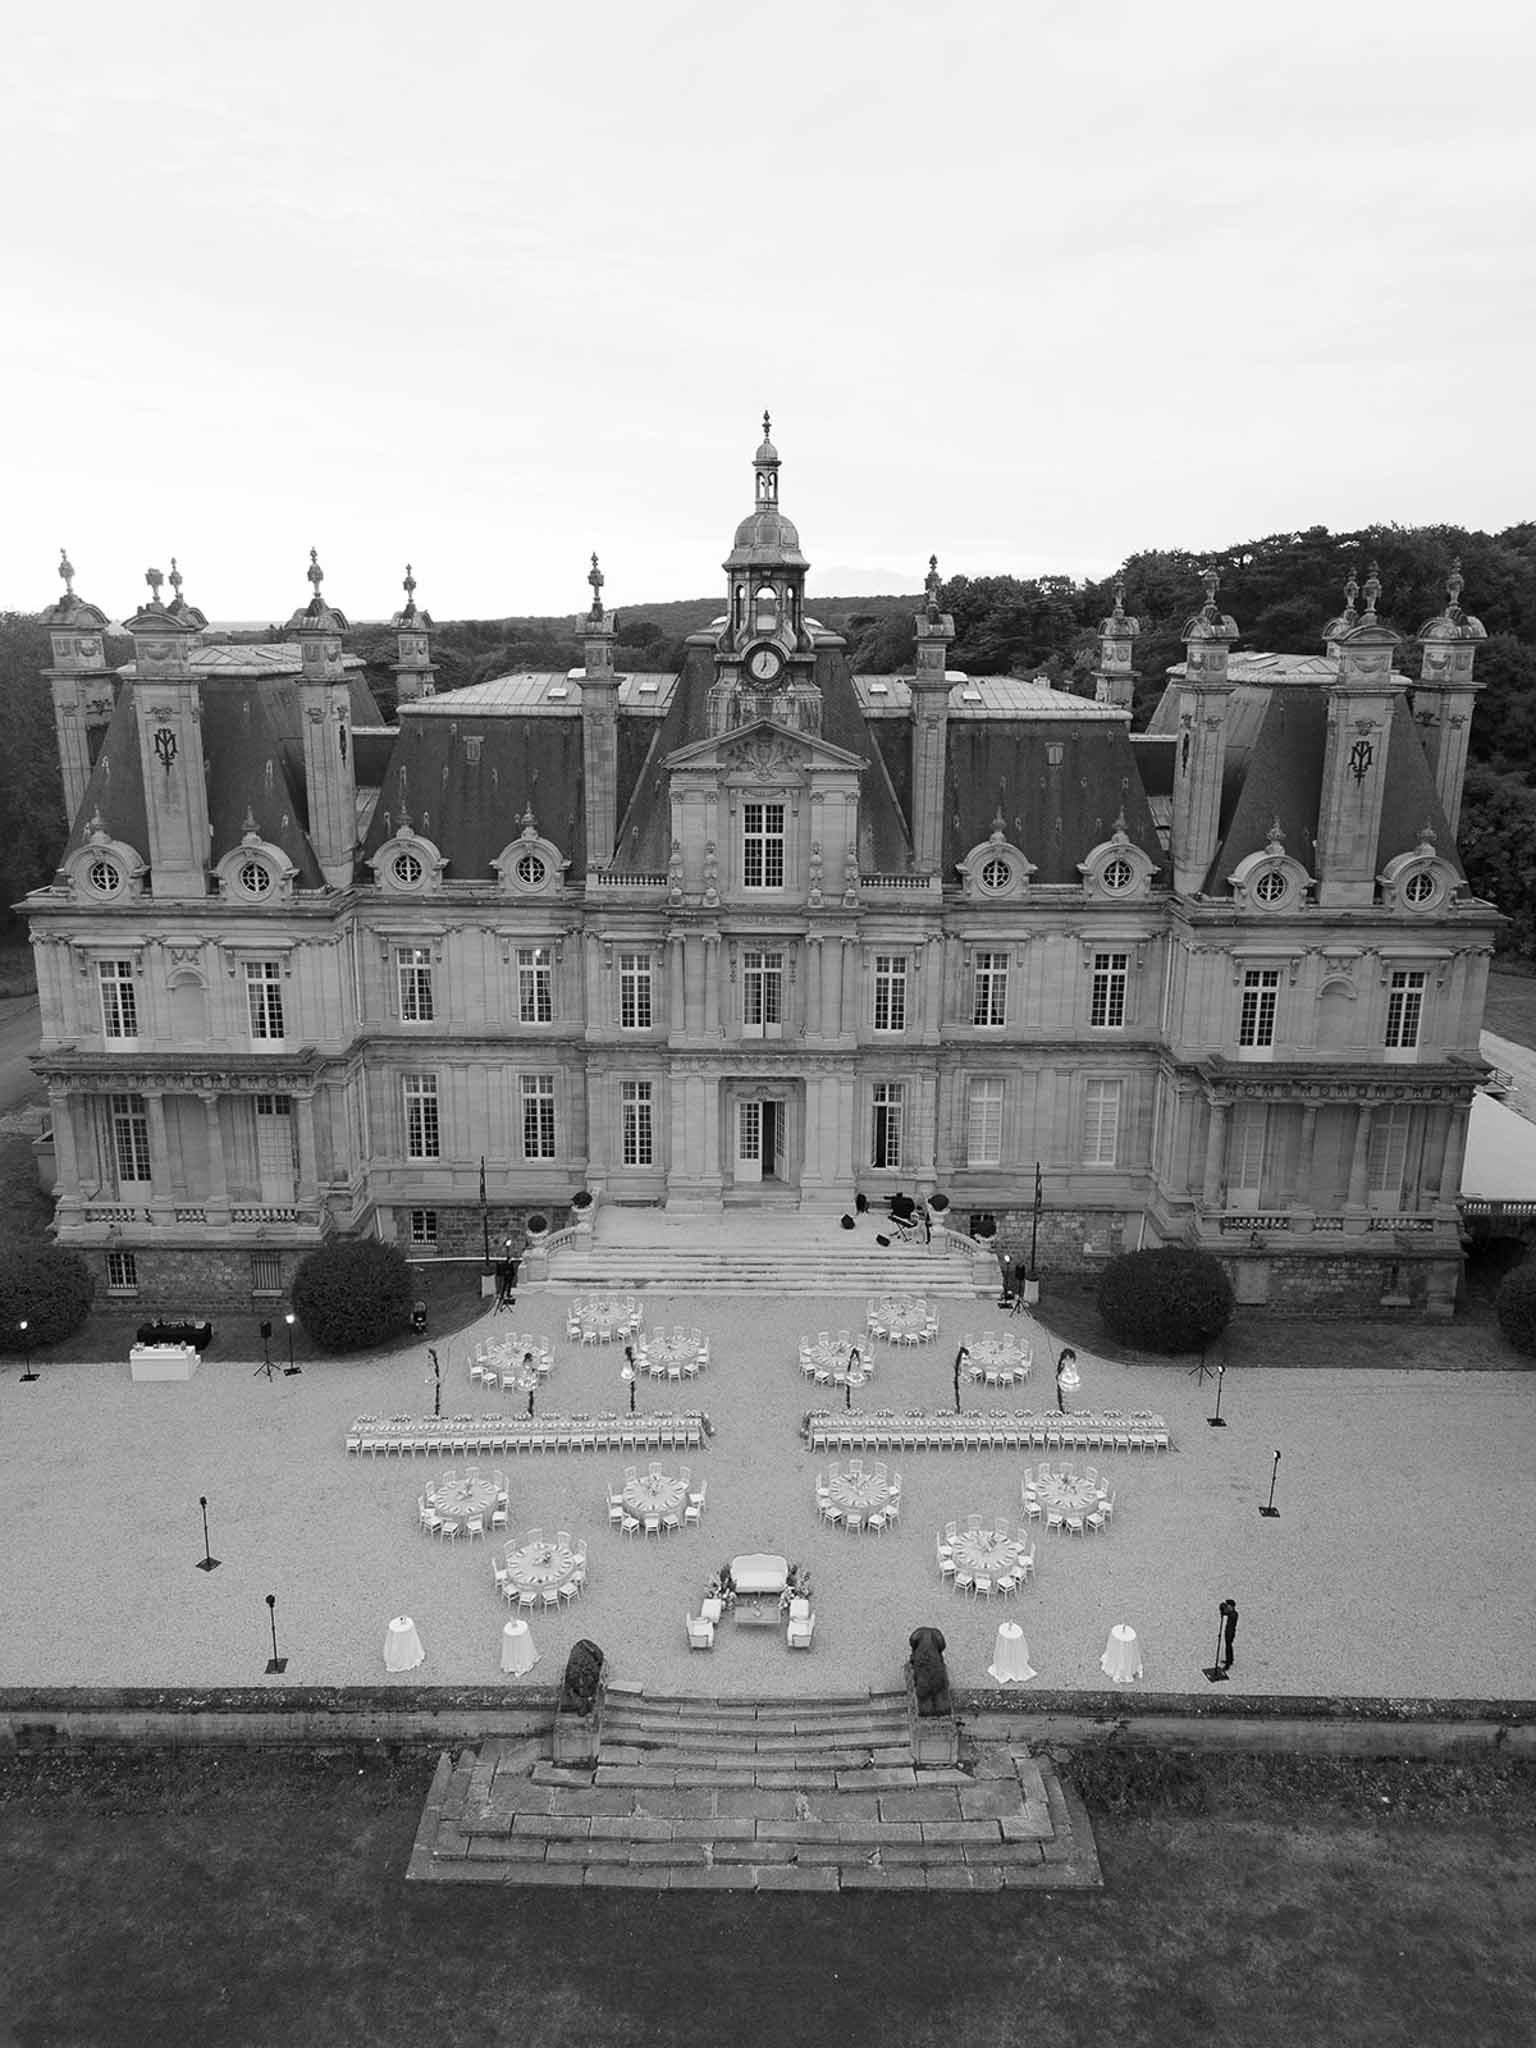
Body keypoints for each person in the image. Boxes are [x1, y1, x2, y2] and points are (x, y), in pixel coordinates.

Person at [1220, 1597, 1239, 1670]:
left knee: (1228, 1647)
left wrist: (1224, 1610)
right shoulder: (1231, 1613)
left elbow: (1228, 1614)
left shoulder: (1234, 1614)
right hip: (1228, 1631)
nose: (1227, 1607)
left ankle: (1228, 1664)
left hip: (1230, 1633)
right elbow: (1225, 1613)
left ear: (1232, 1606)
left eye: (1228, 1606)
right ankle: (1230, 1660)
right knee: (1229, 1646)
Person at [1056, 1347, 1076, 1415]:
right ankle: (1063, 1409)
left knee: (1068, 1397)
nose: (1067, 1359)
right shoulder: (1062, 1363)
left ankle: (1067, 1410)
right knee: (1063, 1397)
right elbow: (1059, 1371)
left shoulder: (1071, 1364)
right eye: (1066, 1357)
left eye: (1069, 1358)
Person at [953, 1344, 968, 1413]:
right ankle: (958, 1407)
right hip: (956, 1381)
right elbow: (959, 1372)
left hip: (956, 1379)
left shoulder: (958, 1363)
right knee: (957, 1394)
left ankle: (958, 1407)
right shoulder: (958, 1364)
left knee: (957, 1394)